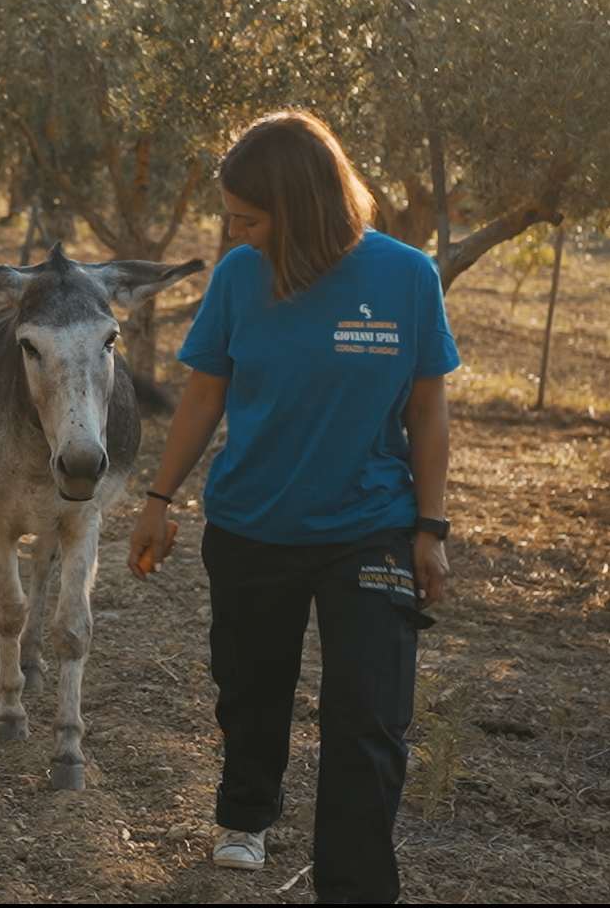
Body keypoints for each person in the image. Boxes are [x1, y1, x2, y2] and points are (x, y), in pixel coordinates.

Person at [129, 110, 458, 904]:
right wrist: (158, 496)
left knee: (370, 717)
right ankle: (246, 812)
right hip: (251, 523)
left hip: (372, 526)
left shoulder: (407, 277)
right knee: (250, 686)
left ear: (302, 207)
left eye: (247, 216)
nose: (234, 231)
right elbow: (206, 391)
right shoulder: (241, 275)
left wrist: (431, 529)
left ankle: (355, 887)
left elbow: (428, 408)